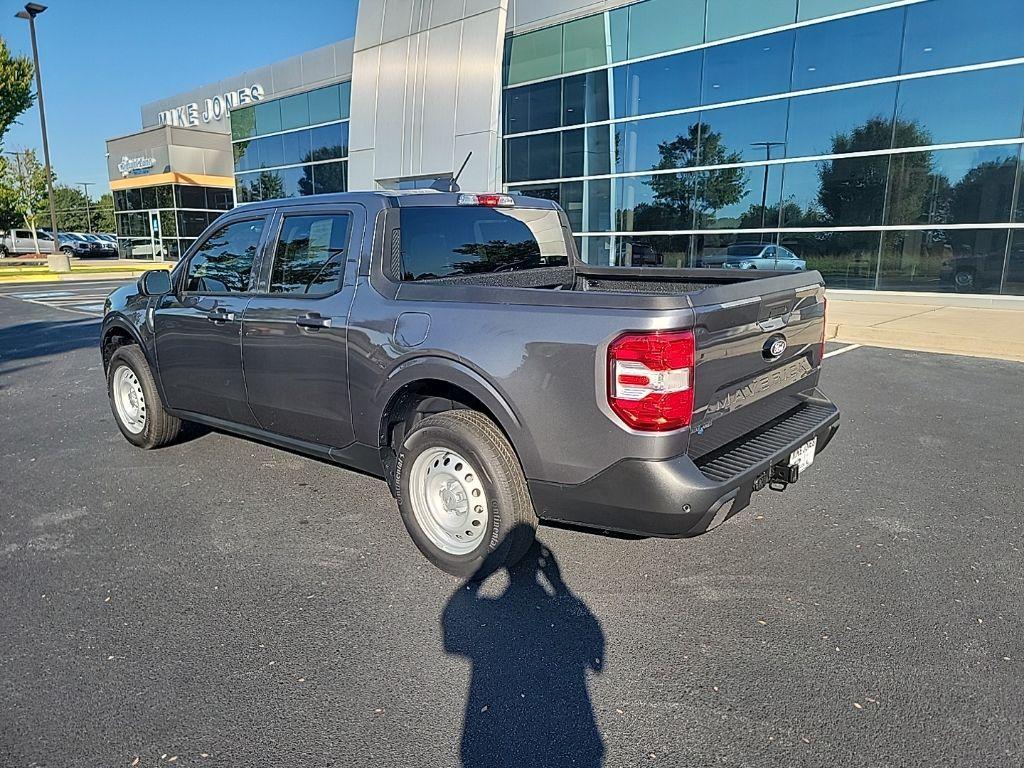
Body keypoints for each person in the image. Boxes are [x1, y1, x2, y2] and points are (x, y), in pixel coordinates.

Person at [442, 533, 605, 767]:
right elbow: (596, 661)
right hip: (571, 737)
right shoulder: (563, 611)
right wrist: (559, 586)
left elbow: (452, 631)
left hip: (490, 737)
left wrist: (481, 573)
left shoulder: (491, 612)